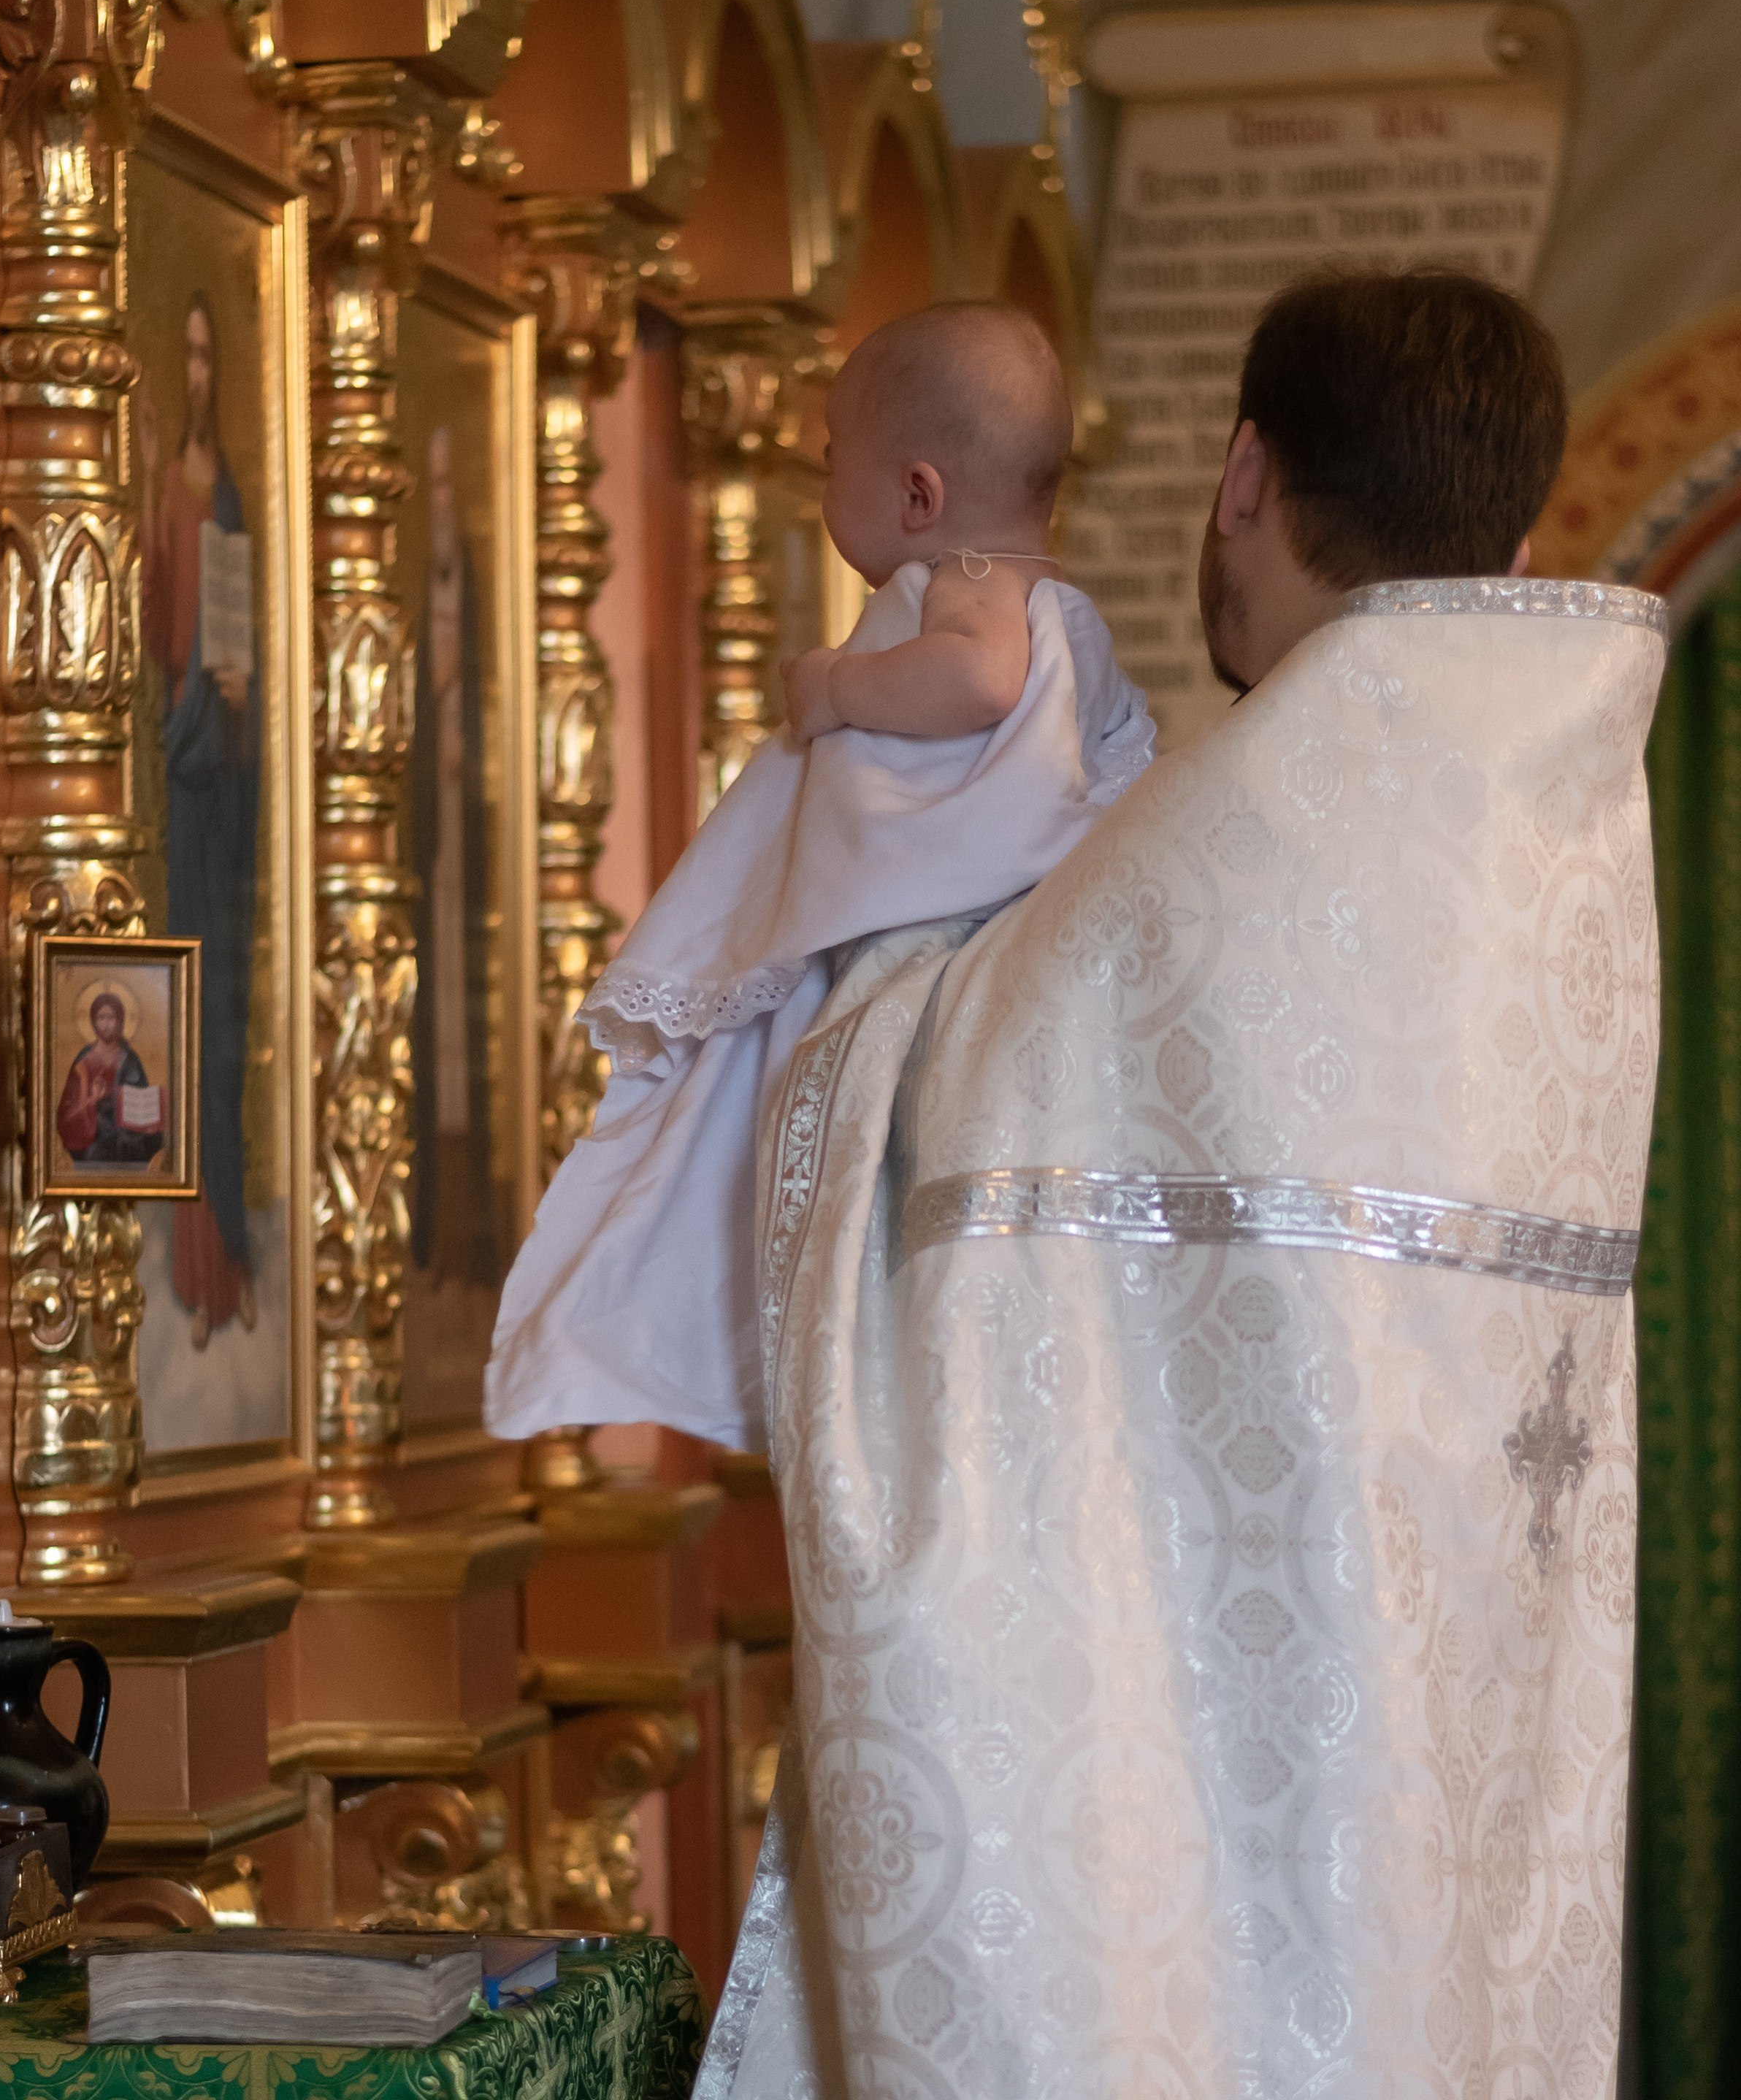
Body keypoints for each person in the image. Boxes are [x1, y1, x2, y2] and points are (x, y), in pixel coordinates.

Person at [700, 269, 1664, 2100]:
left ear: (1239, 478)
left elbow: (900, 1139)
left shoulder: (1213, 848)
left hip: (1205, 1810)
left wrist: (847, 967)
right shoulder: (1556, 846)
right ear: (1515, 529)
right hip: (1444, 1756)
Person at [485, 303, 1155, 1449]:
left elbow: (984, 685)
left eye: (833, 454)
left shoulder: (976, 588)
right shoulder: (1050, 601)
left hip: (932, 942)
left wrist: (843, 691)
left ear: (918, 496)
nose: (818, 476)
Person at [138, 294, 259, 1349]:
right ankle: (194, 1260)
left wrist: (241, 689)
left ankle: (230, 1263)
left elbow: (251, 647)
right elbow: (141, 644)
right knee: (179, 1017)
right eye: (188, 355)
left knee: (224, 1020)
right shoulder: (163, 497)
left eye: (212, 354)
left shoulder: (228, 493)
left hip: (226, 782)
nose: (202, 370)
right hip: (181, 773)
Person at [409, 424, 500, 1289]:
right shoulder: (409, 592)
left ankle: (464, 1227)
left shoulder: (465, 590)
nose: (439, 507)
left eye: (450, 489)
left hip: (456, 829)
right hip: (415, 829)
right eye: (427, 488)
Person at [56, 990, 158, 1170]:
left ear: (120, 1021)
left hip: (127, 1138)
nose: (106, 1024)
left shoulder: (130, 1059)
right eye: (101, 1018)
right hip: (93, 1140)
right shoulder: (84, 1061)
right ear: (93, 1022)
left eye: (111, 1018)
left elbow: (143, 1103)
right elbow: (66, 1115)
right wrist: (92, 1100)